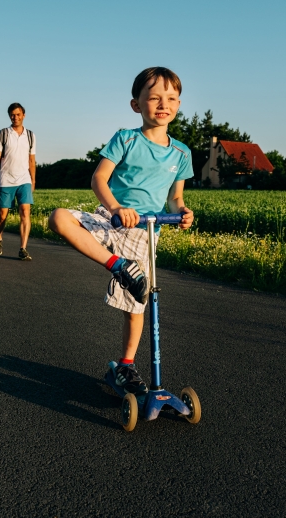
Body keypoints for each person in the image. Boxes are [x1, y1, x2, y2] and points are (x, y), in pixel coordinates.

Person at [48, 67, 194, 395]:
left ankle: (125, 367)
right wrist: (116, 208)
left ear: (179, 104)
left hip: (145, 233)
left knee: (136, 305)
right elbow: (99, 178)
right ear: (136, 105)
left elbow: (175, 196)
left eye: (170, 98)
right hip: (113, 220)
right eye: (154, 98)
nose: (162, 104)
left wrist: (182, 212)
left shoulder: (181, 153)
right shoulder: (126, 139)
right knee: (58, 218)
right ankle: (117, 265)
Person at [0, 103, 36, 261]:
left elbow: (31, 159)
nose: (15, 117)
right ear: (9, 116)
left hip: (24, 179)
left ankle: (23, 248)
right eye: (12, 115)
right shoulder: (3, 134)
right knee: (2, 215)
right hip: (6, 180)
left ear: (24, 115)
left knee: (25, 212)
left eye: (18, 114)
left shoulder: (30, 135)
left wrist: (33, 179)